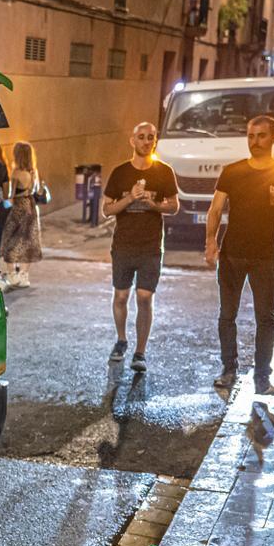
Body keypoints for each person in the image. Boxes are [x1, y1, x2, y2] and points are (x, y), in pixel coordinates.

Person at [205, 116, 274, 395]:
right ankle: (228, 369)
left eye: (260, 136)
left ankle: (262, 377)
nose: (254, 141)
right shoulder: (232, 172)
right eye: (250, 136)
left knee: (266, 319)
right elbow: (215, 209)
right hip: (232, 253)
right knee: (227, 315)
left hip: (265, 255)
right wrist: (210, 240)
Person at [101, 122, 179, 373]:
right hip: (123, 244)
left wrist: (154, 205)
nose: (147, 141)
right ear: (132, 141)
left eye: (151, 137)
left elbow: (174, 206)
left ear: (155, 141)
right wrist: (131, 197)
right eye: (142, 137)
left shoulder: (164, 172)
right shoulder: (120, 173)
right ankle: (122, 340)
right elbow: (107, 210)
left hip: (151, 246)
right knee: (121, 296)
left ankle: (140, 352)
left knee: (144, 297)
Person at [0, 141, 43, 287]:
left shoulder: (16, 173)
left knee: (10, 241)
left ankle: (13, 275)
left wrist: (2, 197)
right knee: (28, 242)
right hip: (31, 207)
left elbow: (10, 195)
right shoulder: (33, 172)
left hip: (18, 208)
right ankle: (24, 276)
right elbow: (36, 191)